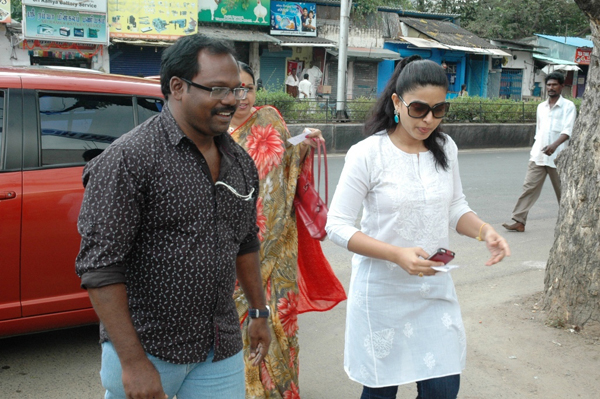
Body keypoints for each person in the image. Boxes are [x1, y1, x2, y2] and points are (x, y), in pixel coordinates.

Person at [75, 34, 271, 399]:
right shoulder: (129, 159)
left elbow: (246, 240)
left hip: (219, 347)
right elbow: (100, 267)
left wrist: (260, 312)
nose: (232, 100)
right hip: (148, 349)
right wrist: (133, 364)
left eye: (238, 89)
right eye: (217, 89)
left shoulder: (240, 161)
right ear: (178, 87)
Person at [325, 55, 511, 399]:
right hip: (381, 294)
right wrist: (396, 254)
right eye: (419, 109)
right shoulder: (367, 154)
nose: (429, 120)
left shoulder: (446, 149)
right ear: (397, 102)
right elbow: (336, 225)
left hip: (433, 292)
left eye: (439, 110)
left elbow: (455, 208)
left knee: (443, 387)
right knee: (380, 391)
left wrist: (486, 231)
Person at [230, 62, 346, 398]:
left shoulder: (268, 118)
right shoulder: (212, 131)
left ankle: (281, 391)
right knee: (238, 327)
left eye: (248, 88)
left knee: (279, 323)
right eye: (234, 89)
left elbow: (287, 149)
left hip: (277, 245)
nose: (242, 97)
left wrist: (306, 139)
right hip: (235, 251)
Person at [502, 71, 576, 233]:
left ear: (562, 86)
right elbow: (539, 131)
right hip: (538, 155)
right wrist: (538, 148)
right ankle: (519, 220)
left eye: (554, 84)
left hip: (558, 157)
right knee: (529, 187)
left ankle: (571, 224)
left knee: (563, 191)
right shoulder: (541, 107)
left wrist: (554, 146)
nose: (551, 88)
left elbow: (568, 131)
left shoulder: (568, 106)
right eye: (548, 85)